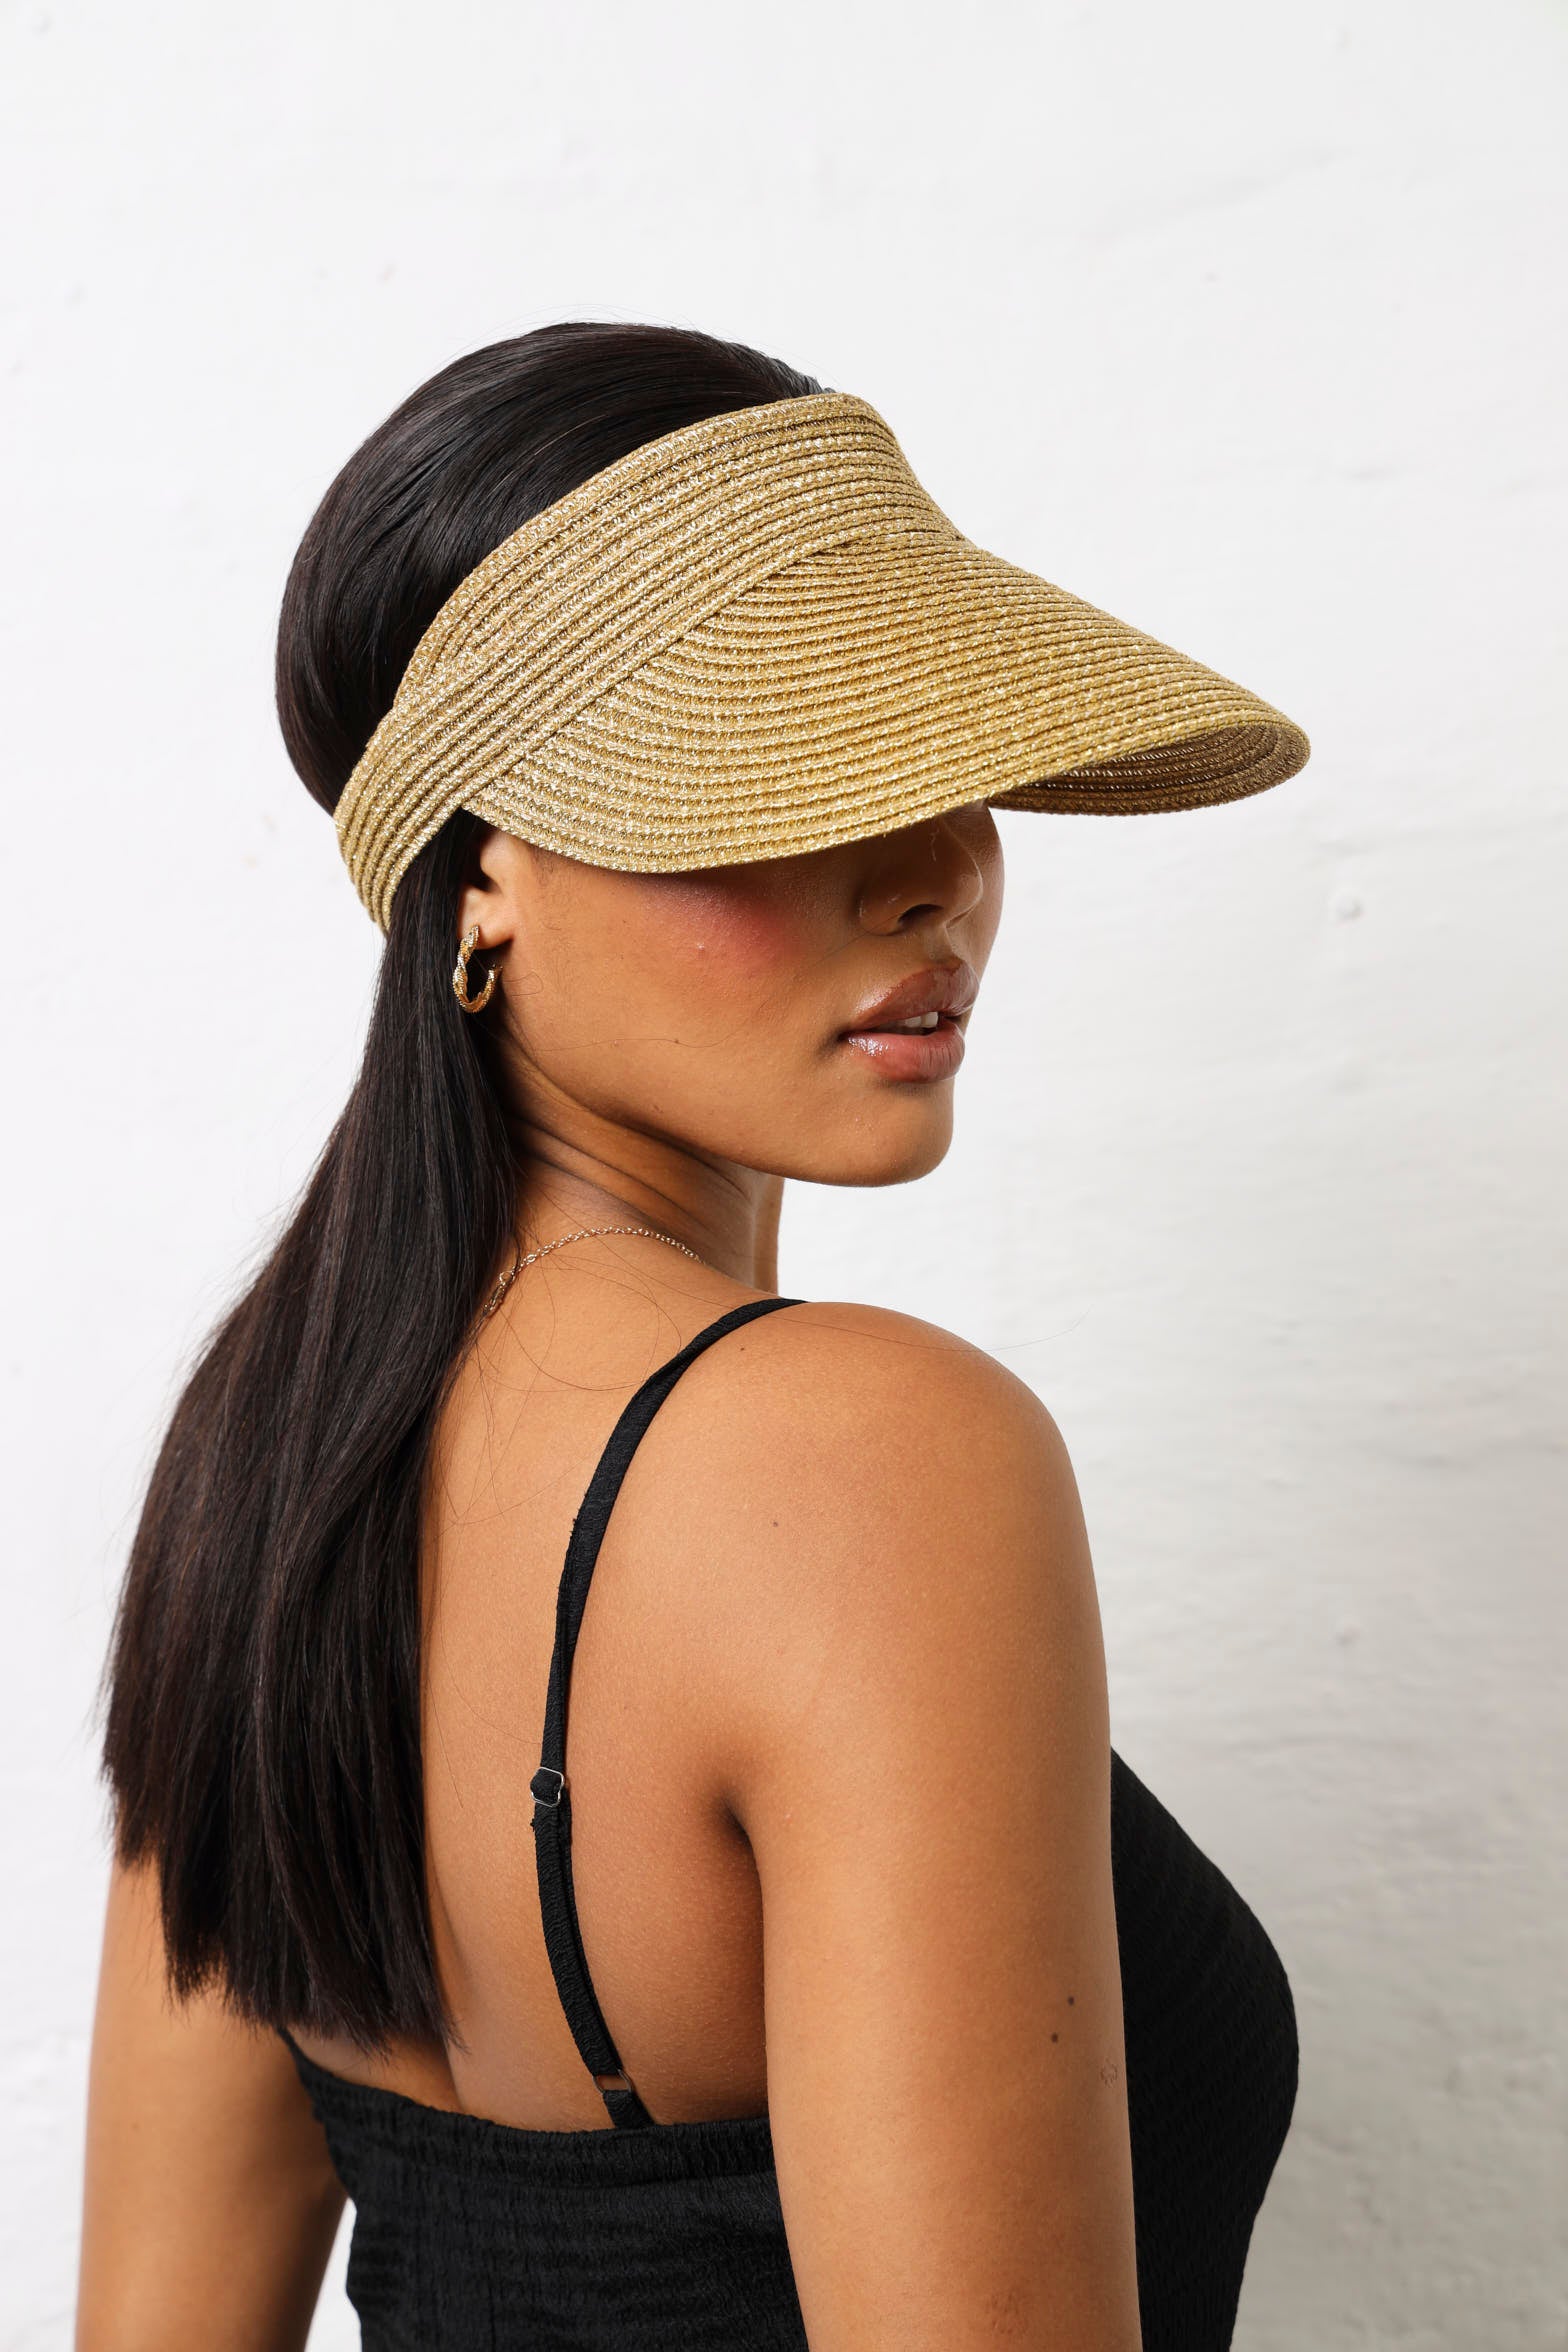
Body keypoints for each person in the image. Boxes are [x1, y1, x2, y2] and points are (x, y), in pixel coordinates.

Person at [78, 322, 1306, 2352]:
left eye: (936, 764)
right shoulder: (873, 1455)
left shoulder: (271, 1459)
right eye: (782, 780)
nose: (934, 872)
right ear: (485, 870)